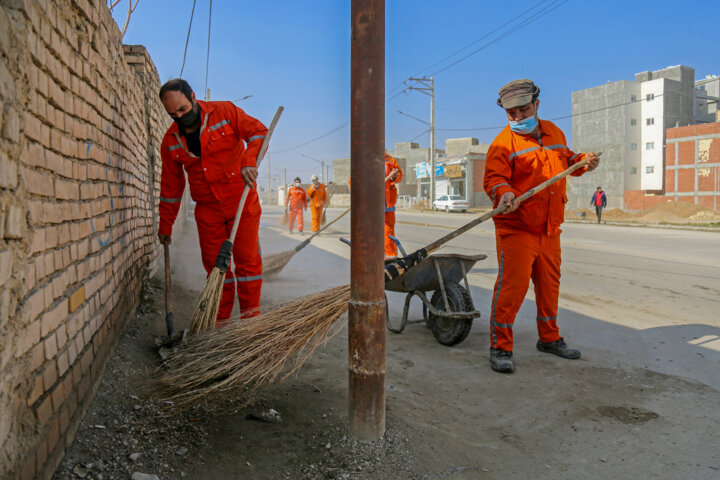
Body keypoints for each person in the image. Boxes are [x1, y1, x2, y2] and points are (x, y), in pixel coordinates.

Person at [483, 79, 600, 373]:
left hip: (549, 229)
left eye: (524, 110)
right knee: (512, 289)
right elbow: (493, 179)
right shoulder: (502, 144)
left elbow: (568, 160)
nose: (519, 118)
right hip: (517, 228)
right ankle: (501, 347)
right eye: (513, 114)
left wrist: (584, 161)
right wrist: (504, 192)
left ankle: (549, 338)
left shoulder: (554, 133)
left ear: (537, 105)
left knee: (549, 287)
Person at [157, 79, 267, 324]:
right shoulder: (171, 142)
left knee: (247, 265)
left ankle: (251, 322)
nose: (180, 117)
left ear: (194, 97)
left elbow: (259, 132)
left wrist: (249, 161)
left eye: (183, 110)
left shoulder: (225, 112)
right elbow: (171, 187)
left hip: (241, 203)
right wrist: (165, 225)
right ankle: (219, 324)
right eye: (173, 114)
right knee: (217, 270)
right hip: (207, 211)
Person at [384, 153, 402, 258]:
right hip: (369, 204)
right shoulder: (363, 160)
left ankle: (390, 258)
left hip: (387, 203)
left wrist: (395, 176)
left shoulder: (389, 160)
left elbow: (399, 176)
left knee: (388, 231)